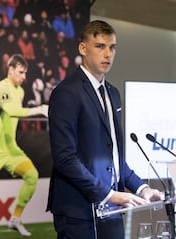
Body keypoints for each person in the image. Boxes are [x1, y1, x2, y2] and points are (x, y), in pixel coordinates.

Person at [47, 20, 163, 239]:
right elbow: (64, 158)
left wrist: (142, 188)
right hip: (78, 213)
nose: (107, 54)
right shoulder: (66, 93)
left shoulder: (112, 93)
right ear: (83, 48)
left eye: (112, 47)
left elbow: (114, 159)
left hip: (112, 211)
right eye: (100, 46)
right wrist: (108, 194)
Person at [0, 54, 48, 237]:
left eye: (25, 73)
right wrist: (39, 109)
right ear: (10, 70)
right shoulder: (1, 88)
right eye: (20, 72)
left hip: (11, 149)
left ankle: (15, 219)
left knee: (32, 176)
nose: (24, 77)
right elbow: (11, 111)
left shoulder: (19, 91)